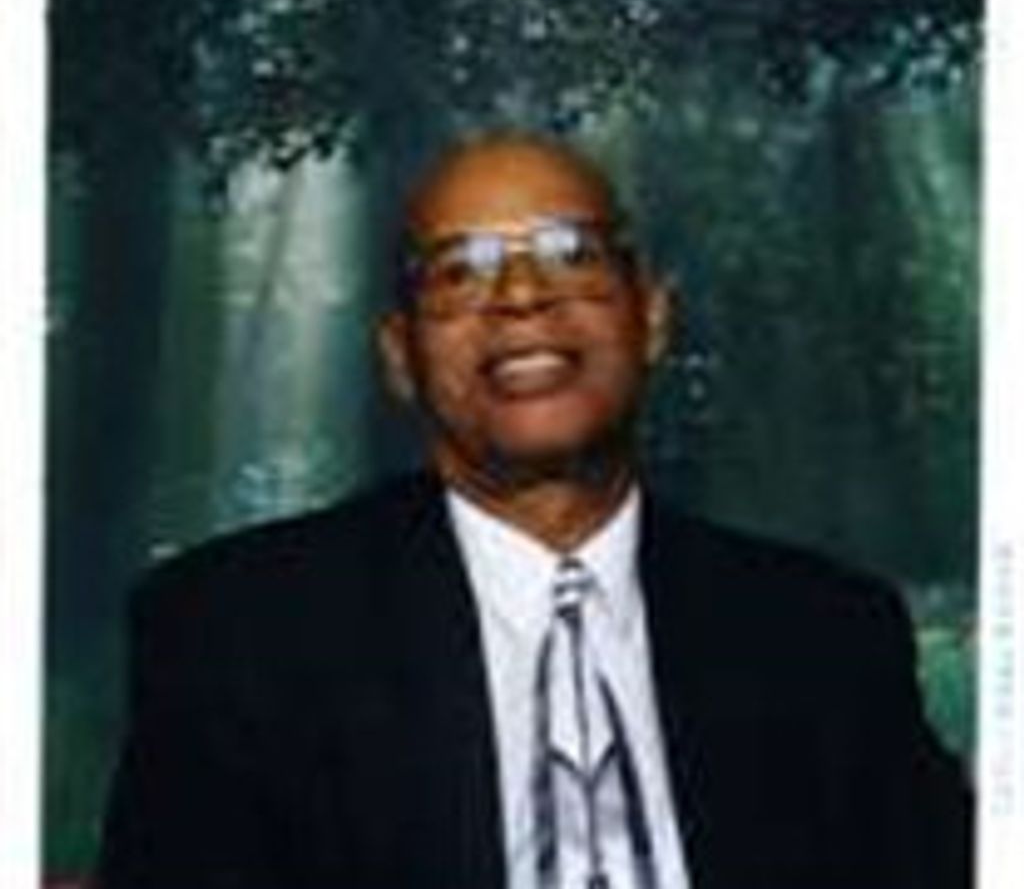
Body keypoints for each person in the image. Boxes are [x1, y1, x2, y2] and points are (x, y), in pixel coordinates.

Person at [97, 133, 972, 888]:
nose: (521, 295)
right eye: (459, 271)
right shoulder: (236, 633)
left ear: (652, 319)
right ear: (400, 356)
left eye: (572, 253)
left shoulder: (826, 634)